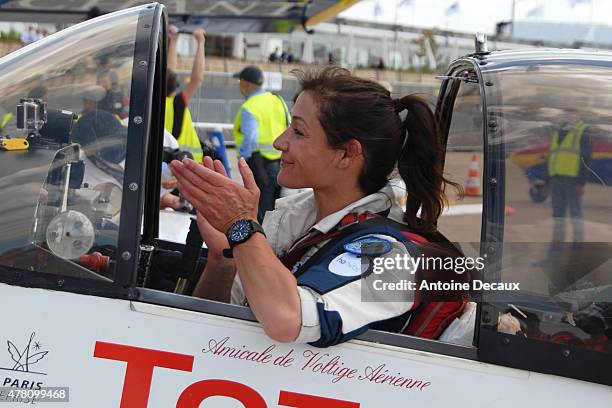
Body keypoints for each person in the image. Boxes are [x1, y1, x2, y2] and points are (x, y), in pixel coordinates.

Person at [170, 67, 464, 346]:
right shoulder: (291, 218)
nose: (278, 142)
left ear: (347, 153)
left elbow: (289, 319)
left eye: (298, 131)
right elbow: (218, 329)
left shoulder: (394, 258)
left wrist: (242, 226)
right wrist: (225, 261)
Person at [232, 65, 289, 222]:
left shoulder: (250, 106)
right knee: (274, 211)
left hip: (259, 166)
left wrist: (243, 160)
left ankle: (261, 244)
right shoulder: (278, 100)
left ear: (247, 84)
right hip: (280, 164)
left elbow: (250, 138)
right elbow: (289, 126)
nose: (239, 85)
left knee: (259, 213)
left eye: (240, 81)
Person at [547, 110, 592, 244]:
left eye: (573, 111)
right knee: (558, 218)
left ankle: (577, 253)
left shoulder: (583, 130)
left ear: (579, 113)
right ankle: (556, 253)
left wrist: (581, 183)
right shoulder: (558, 130)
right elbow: (553, 155)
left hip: (573, 181)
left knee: (576, 216)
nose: (569, 114)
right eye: (567, 111)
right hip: (556, 179)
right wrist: (547, 180)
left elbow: (586, 158)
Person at [165, 25, 206, 163]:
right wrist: (200, 42)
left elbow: (169, 72)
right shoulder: (177, 102)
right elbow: (197, 78)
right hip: (188, 162)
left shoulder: (153, 103)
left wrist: (174, 42)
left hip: (166, 160)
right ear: (175, 85)